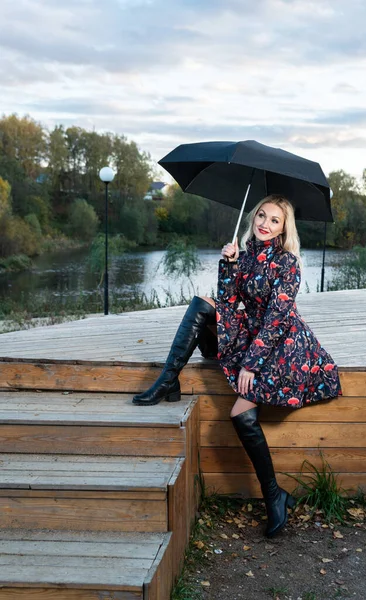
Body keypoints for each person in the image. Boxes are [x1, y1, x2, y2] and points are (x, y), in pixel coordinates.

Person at [132, 194, 342, 537]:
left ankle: (274, 495)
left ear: (284, 228)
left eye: (274, 220)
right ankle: (168, 381)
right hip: (252, 332)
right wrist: (228, 266)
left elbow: (277, 318)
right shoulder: (243, 257)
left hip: (284, 345)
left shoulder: (288, 263)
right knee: (203, 304)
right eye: (261, 215)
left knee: (240, 415)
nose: (265, 224)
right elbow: (229, 303)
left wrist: (251, 366)